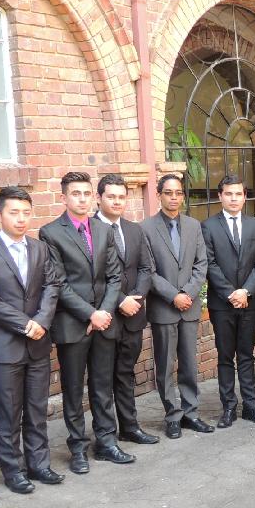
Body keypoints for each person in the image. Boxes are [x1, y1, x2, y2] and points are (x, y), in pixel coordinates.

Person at [40, 171, 134, 474]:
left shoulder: (103, 230)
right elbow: (58, 283)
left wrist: (103, 313)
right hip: (73, 324)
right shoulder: (51, 233)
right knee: (73, 389)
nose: (81, 199)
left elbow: (114, 277)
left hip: (104, 323)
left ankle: (106, 442)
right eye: (75, 194)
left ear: (93, 197)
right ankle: (78, 447)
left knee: (103, 386)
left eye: (86, 193)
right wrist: (89, 314)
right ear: (64, 197)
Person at [0, 187, 63, 494]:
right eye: (14, 213)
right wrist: (25, 324)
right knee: (9, 413)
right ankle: (13, 470)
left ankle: (39, 464)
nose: (21, 219)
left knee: (37, 409)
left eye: (26, 212)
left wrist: (42, 321)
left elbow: (52, 286)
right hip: (3, 347)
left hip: (38, 343)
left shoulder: (40, 249)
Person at [140, 174, 211, 439]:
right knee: (165, 365)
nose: (173, 197)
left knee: (190, 364)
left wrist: (188, 293)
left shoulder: (193, 226)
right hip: (164, 308)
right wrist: (174, 296)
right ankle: (172, 415)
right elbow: (148, 271)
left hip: (189, 307)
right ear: (159, 195)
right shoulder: (146, 228)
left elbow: (201, 264)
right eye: (168, 192)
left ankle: (191, 413)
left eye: (178, 193)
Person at [201, 174, 255, 427]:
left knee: (246, 355)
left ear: (244, 197)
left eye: (238, 194)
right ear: (220, 196)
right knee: (225, 356)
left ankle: (251, 406)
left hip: (248, 302)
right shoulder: (208, 227)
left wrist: (246, 291)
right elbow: (209, 264)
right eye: (228, 194)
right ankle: (229, 407)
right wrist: (231, 293)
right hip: (222, 304)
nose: (233, 198)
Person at [95, 174, 159, 445]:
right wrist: (120, 300)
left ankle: (130, 427)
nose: (117, 201)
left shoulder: (134, 230)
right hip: (105, 316)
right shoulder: (90, 230)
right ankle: (106, 436)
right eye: (111, 196)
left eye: (121, 197)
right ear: (99, 198)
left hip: (134, 316)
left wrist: (136, 298)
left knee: (125, 374)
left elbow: (146, 267)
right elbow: (92, 276)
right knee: (102, 379)